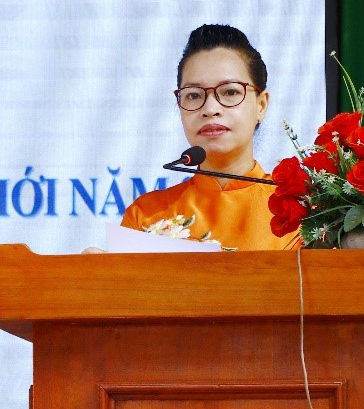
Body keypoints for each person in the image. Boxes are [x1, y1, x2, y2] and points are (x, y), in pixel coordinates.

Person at [120, 24, 299, 250]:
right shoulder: (147, 216)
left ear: (261, 105)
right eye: (194, 95)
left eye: (230, 92)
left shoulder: (305, 214)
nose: (210, 109)